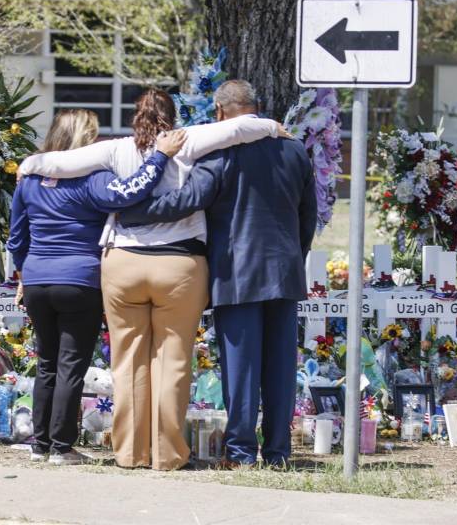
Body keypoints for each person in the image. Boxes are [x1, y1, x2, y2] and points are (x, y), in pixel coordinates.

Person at [17, 88, 286, 470]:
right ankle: (168, 454)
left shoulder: (113, 151)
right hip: (178, 264)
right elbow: (238, 128)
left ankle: (129, 452)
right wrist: (274, 127)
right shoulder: (187, 140)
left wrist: (30, 164)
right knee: (173, 362)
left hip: (123, 262)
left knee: (127, 363)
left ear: (133, 117)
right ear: (173, 117)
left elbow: (60, 163)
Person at [120, 80, 317, 468]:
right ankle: (278, 452)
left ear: (220, 111)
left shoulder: (222, 150)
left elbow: (189, 200)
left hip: (237, 271)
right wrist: (297, 254)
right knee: (279, 368)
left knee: (241, 370)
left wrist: (133, 212)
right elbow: (308, 213)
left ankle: (242, 452)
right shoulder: (295, 150)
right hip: (284, 270)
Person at [7, 109, 186, 466]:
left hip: (39, 280)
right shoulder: (93, 179)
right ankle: (62, 446)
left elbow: (16, 237)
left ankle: (39, 443)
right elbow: (131, 193)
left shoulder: (28, 181)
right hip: (79, 279)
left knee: (46, 362)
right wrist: (160, 158)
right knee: (71, 364)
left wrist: (25, 274)